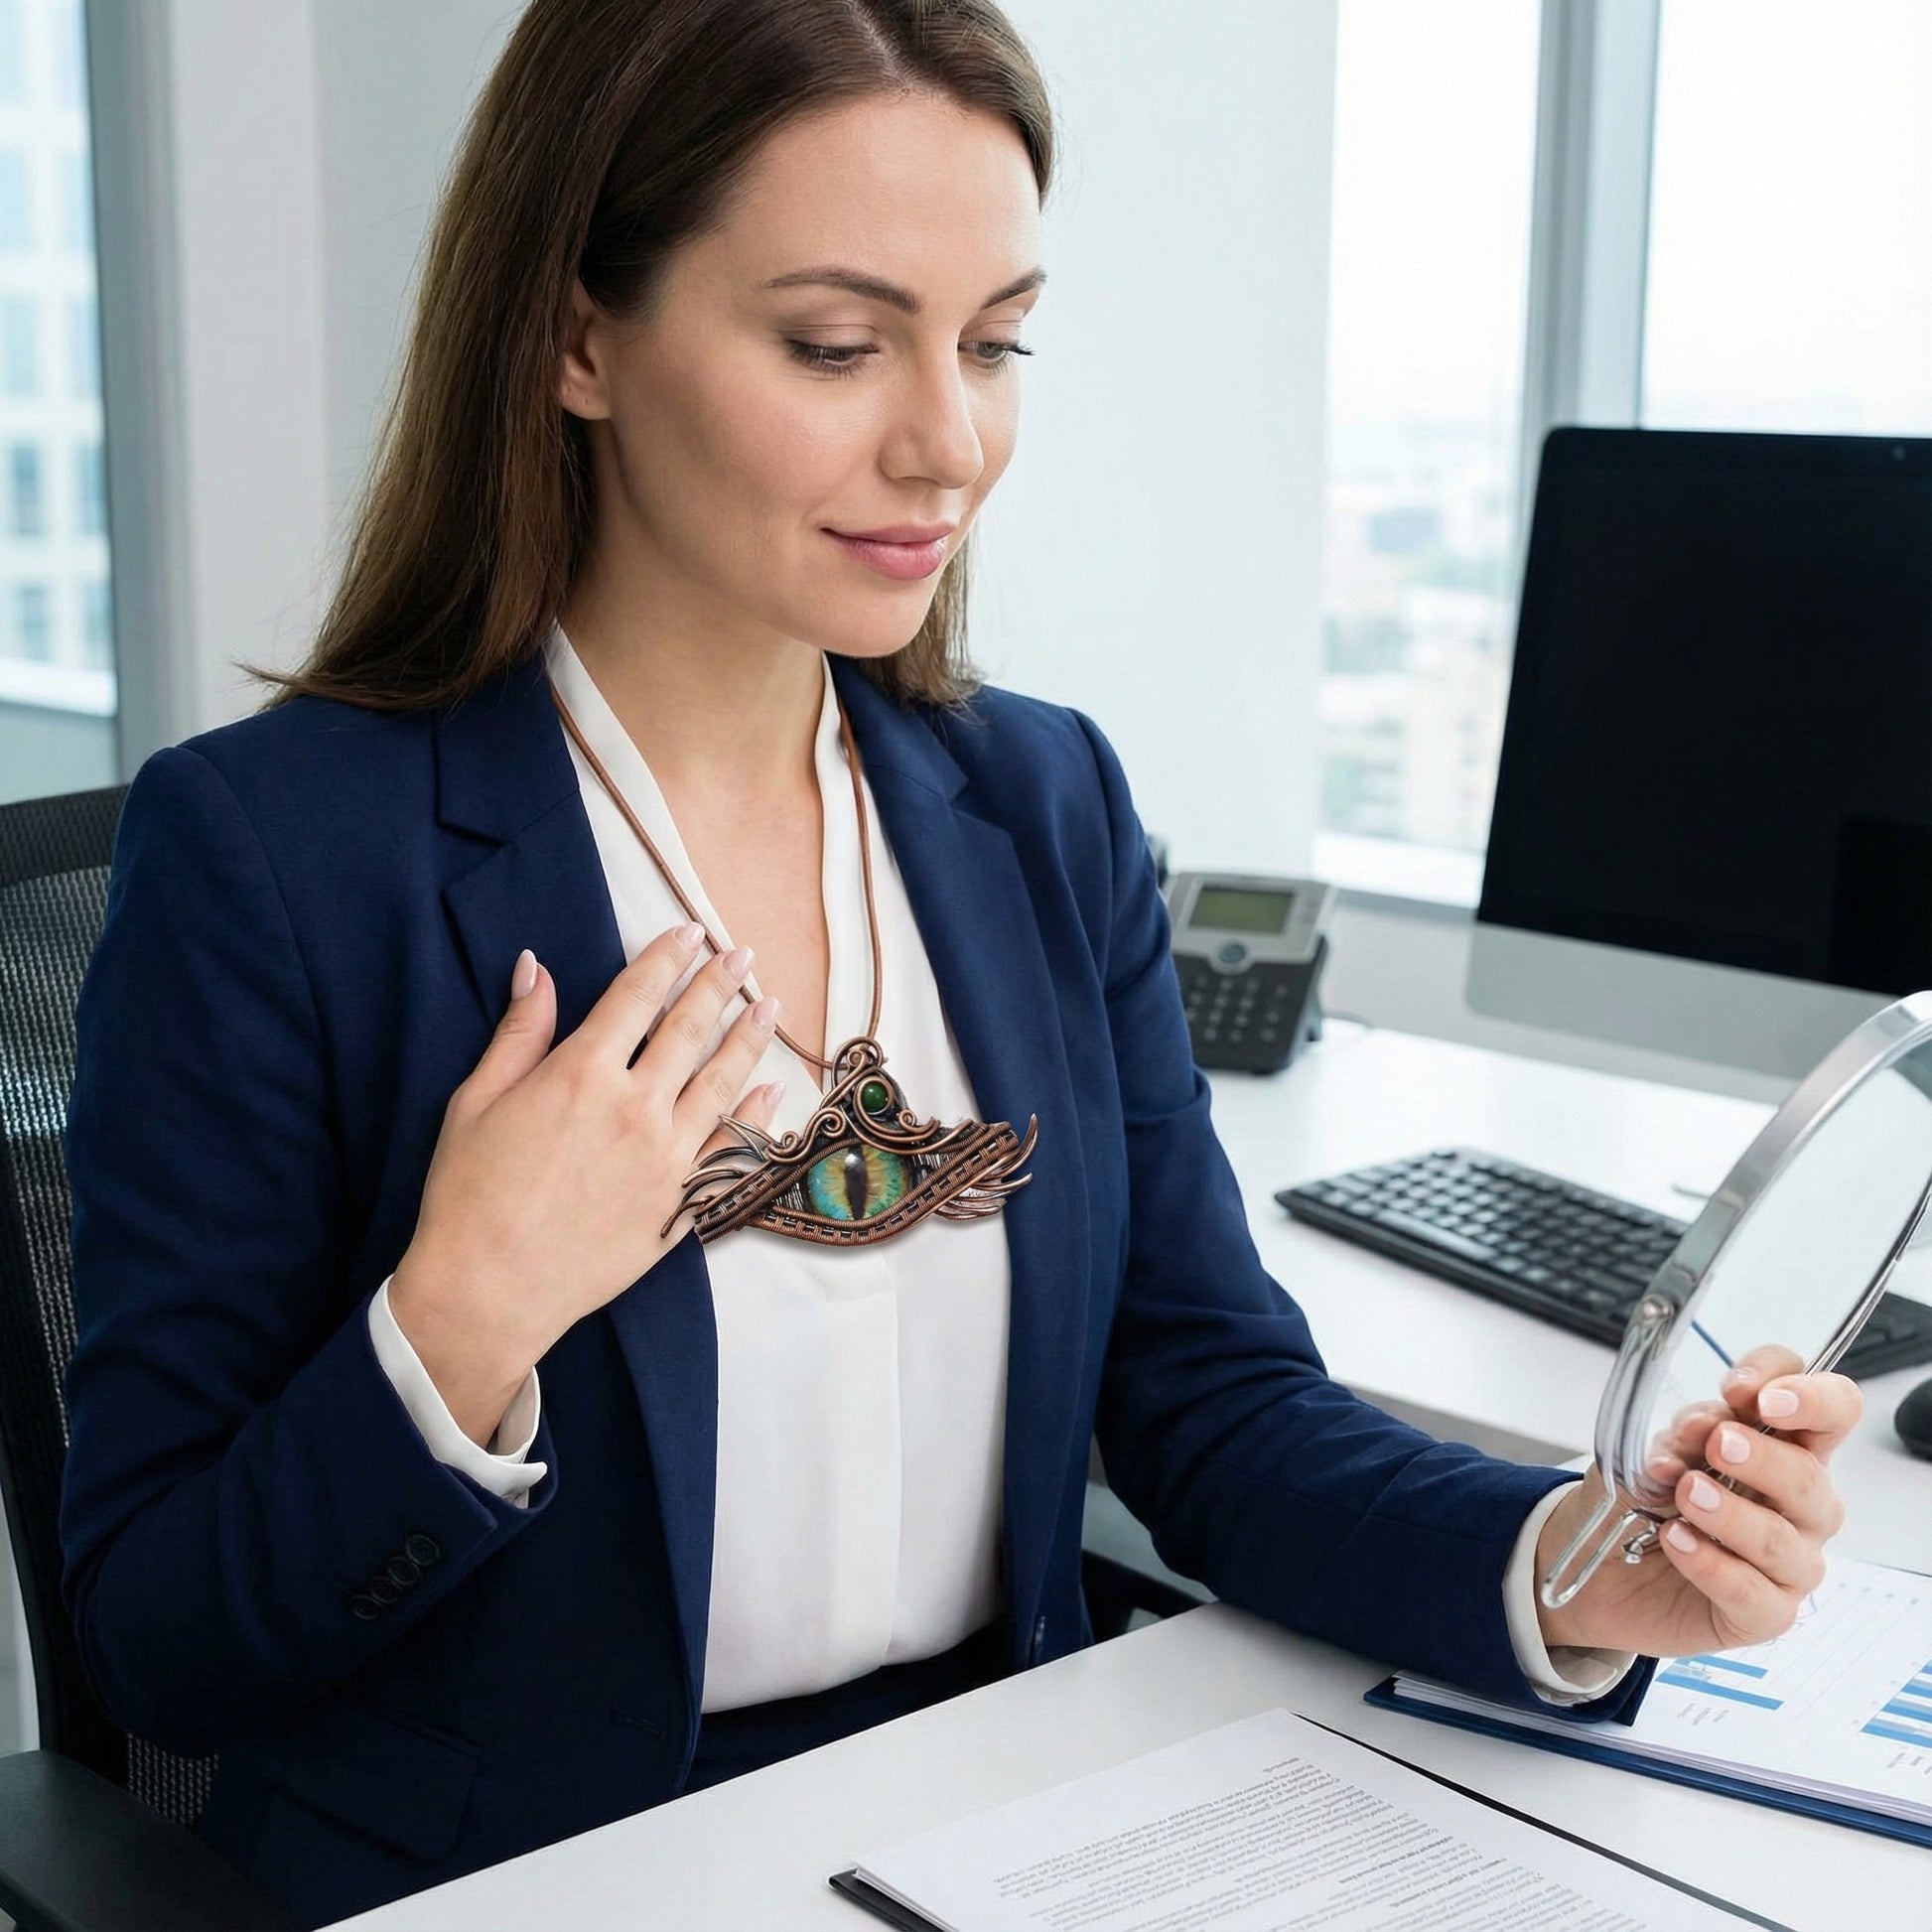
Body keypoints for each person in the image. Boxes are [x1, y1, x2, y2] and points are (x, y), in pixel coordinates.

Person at [57, 1, 1860, 1925]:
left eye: (994, 340)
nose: (950, 440)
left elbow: (1212, 1403)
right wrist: (456, 1320)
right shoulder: (274, 856)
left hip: (990, 1832)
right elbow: (154, 1644)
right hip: (540, 1873)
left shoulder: (1037, 802)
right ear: (580, 334)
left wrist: (1579, 1565)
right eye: (837, 344)